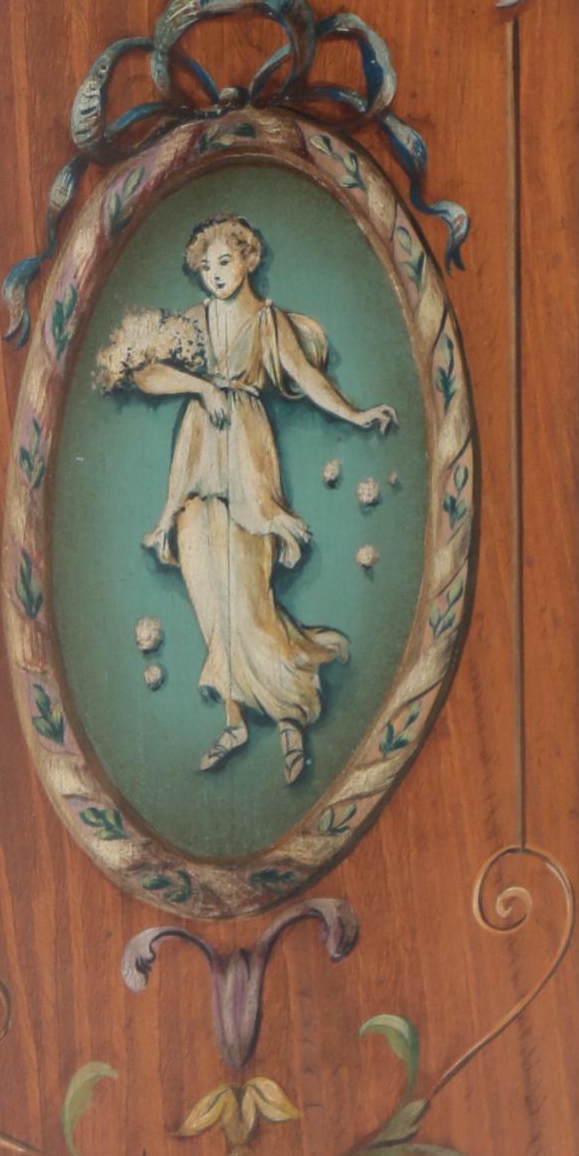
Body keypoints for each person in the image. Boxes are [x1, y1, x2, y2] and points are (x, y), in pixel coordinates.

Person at [100, 213, 395, 784]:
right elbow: (143, 373)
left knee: (249, 591)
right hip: (195, 457)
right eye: (206, 266)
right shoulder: (194, 321)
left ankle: (289, 713)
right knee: (207, 586)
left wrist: (357, 413)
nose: (214, 275)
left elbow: (306, 379)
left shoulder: (267, 321)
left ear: (249, 260)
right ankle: (234, 717)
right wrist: (201, 385)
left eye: (225, 262)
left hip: (247, 454)